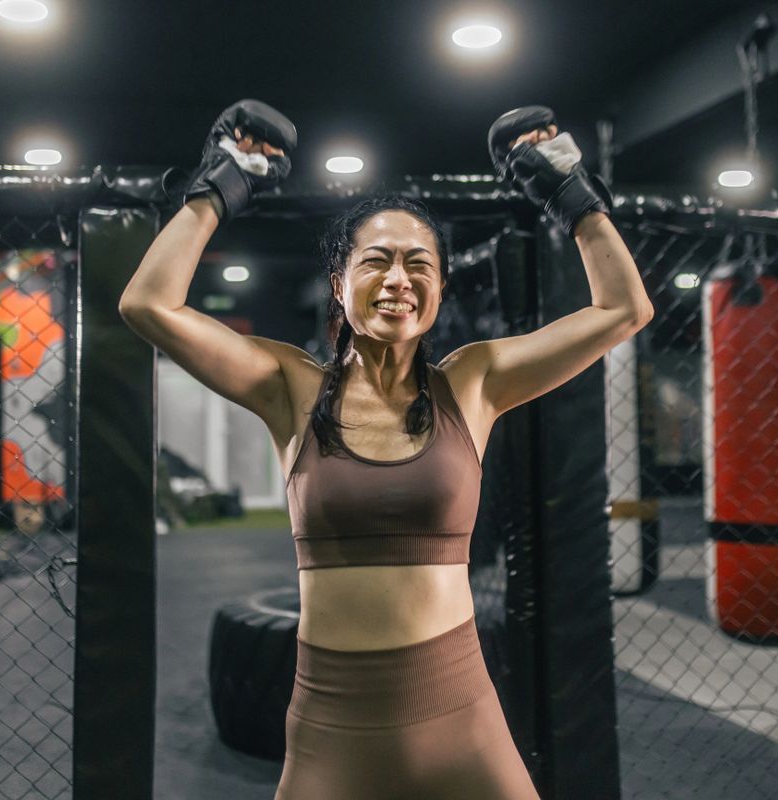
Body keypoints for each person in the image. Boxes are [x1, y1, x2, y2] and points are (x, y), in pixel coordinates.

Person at [119, 100, 653, 800]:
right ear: (339, 285)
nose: (399, 278)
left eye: (418, 264)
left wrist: (569, 193)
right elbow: (148, 305)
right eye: (376, 261)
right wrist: (222, 186)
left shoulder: (474, 382)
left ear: (439, 290)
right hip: (333, 729)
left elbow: (624, 309)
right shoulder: (290, 387)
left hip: (461, 718)